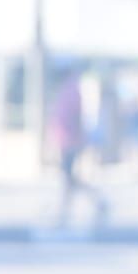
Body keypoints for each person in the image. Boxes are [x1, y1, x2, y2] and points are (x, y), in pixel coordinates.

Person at [47, 72, 107, 227]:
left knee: (69, 178)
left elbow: (73, 118)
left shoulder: (71, 91)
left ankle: (65, 212)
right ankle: (95, 202)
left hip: (69, 141)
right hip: (66, 140)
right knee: (69, 178)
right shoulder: (68, 90)